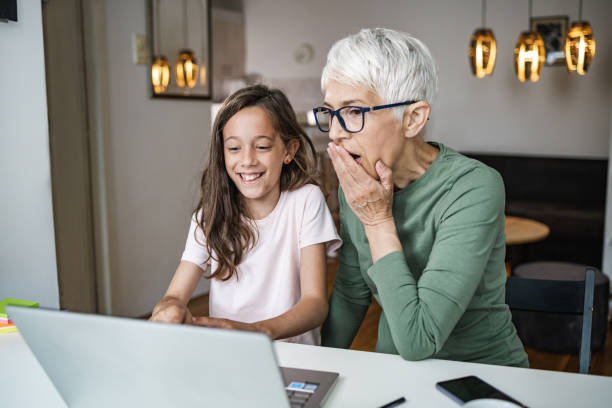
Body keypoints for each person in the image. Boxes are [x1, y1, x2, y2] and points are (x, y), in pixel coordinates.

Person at [317, 28, 528, 367]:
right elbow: (351, 291)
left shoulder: (474, 187)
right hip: (393, 370)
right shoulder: (357, 185)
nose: (337, 132)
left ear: (413, 118)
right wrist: (316, 369)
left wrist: (376, 219)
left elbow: (420, 340)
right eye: (330, 113)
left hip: (482, 377)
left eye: (354, 112)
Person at [151, 85, 341, 345]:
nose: (247, 160)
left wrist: (258, 331)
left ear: (289, 150)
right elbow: (174, 295)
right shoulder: (210, 214)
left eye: (262, 147)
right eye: (234, 148)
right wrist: (169, 309)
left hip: (295, 356)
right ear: (222, 152)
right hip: (233, 355)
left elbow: (315, 303)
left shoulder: (306, 200)